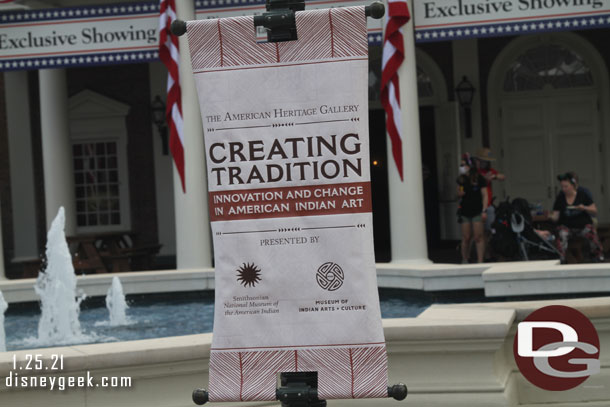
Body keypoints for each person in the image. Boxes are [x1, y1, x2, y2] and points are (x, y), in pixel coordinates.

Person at [550, 172, 604, 263]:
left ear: (573, 185)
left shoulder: (583, 194)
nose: (564, 189)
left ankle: (597, 256)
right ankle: (561, 258)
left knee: (590, 231)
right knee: (561, 233)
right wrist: (550, 216)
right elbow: (556, 217)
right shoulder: (560, 198)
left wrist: (584, 207)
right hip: (567, 227)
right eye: (562, 186)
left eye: (566, 186)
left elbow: (594, 210)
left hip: (582, 226)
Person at [457, 153, 488, 264]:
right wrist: (459, 194)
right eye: (461, 165)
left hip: (477, 211)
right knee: (466, 237)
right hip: (465, 211)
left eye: (463, 165)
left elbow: (485, 195)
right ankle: (465, 259)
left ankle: (480, 261)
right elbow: (458, 194)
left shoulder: (479, 178)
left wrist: (484, 210)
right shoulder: (461, 179)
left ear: (470, 166)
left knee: (478, 237)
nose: (462, 167)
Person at [473, 147, 505, 230]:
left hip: (489, 206)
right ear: (478, 160)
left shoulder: (489, 171)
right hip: (476, 207)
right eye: (484, 161)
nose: (486, 163)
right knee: (477, 233)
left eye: (487, 161)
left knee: (492, 230)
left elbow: (503, 177)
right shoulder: (473, 172)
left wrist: (494, 176)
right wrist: (484, 179)